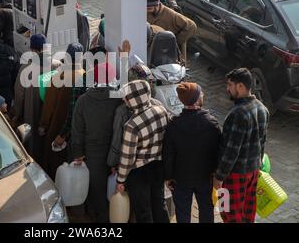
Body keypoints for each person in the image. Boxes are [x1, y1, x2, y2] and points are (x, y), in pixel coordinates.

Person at [213, 68, 269, 223]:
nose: (227, 89)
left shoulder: (237, 114)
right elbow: (262, 141)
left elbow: (231, 151)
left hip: (234, 174)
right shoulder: (262, 108)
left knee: (227, 212)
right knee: (248, 211)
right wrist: (257, 166)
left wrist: (219, 177)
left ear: (240, 86)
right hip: (253, 170)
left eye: (230, 85)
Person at [163, 82, 222, 223]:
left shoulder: (174, 125)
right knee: (207, 211)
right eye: (200, 93)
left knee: (182, 214)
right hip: (205, 177)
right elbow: (218, 151)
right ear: (197, 99)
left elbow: (168, 154)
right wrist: (217, 174)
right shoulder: (211, 123)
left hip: (180, 178)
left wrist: (168, 177)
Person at [71, 62, 122, 223]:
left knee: (98, 192)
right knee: (116, 191)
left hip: (93, 154)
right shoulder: (119, 98)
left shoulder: (83, 100)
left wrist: (78, 154)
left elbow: (77, 130)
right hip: (117, 152)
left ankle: (101, 219)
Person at [115, 80, 170, 223]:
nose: (123, 99)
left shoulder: (131, 125)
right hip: (159, 166)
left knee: (143, 211)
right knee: (159, 204)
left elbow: (127, 158)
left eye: (126, 97)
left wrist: (121, 179)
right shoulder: (161, 110)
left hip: (140, 173)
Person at [12, 34, 61, 164]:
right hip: (51, 115)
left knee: (33, 145)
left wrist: (17, 116)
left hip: (32, 113)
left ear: (32, 50)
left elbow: (19, 96)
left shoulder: (25, 70)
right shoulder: (57, 65)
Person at [39, 43, 85, 179]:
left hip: (57, 127)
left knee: (55, 164)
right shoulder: (83, 76)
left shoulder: (59, 76)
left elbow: (49, 105)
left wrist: (43, 125)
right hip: (75, 131)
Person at [146, 0, 196, 64]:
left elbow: (191, 26)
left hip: (172, 53)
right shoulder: (145, 12)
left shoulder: (171, 15)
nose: (147, 9)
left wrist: (176, 40)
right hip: (154, 51)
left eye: (150, 7)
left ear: (157, 4)